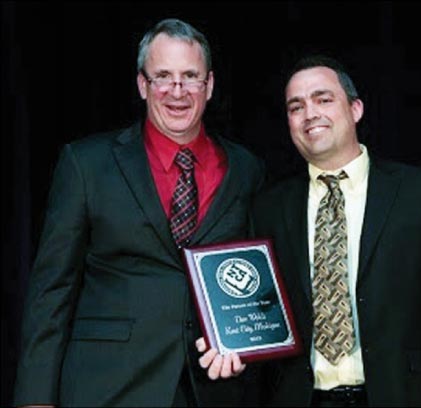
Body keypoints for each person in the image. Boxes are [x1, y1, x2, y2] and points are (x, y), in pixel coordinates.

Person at [13, 18, 264, 407]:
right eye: (162, 76)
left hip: (212, 391)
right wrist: (35, 399)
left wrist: (247, 346)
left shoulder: (246, 169)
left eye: (190, 77)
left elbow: (252, 282)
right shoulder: (86, 164)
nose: (176, 91)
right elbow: (52, 292)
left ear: (209, 85)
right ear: (142, 85)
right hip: (108, 387)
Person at [250, 55, 421, 407]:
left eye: (324, 99)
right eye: (296, 106)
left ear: (355, 108)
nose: (310, 113)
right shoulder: (269, 208)